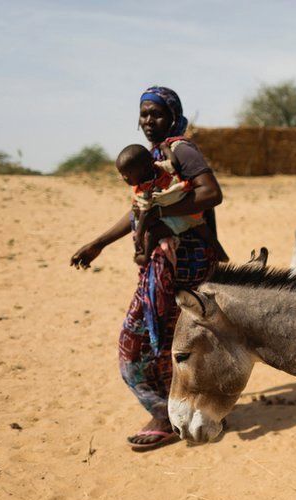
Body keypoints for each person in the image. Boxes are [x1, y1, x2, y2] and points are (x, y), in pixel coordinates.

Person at [70, 86, 224, 451]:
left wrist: (160, 212)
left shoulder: (181, 148)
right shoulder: (155, 156)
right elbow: (141, 207)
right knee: (174, 341)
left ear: (172, 115)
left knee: (137, 345)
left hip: (184, 263)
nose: (148, 121)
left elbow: (211, 193)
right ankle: (196, 410)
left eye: (155, 113)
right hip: (165, 265)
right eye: (143, 114)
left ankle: (165, 417)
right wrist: (100, 242)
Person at [115, 143, 226, 266]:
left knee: (152, 234)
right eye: (121, 173)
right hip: (188, 208)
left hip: (176, 216)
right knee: (204, 230)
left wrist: (139, 234)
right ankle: (221, 254)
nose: (124, 177)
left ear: (145, 169)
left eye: (127, 173)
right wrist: (166, 148)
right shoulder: (161, 167)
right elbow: (174, 163)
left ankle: (145, 257)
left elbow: (145, 213)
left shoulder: (145, 191)